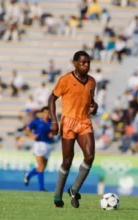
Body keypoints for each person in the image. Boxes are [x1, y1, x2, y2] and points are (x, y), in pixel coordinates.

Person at [48, 51, 98, 208]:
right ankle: (57, 195)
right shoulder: (66, 80)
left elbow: (91, 101)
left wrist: (94, 106)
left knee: (90, 156)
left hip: (84, 122)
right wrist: (54, 120)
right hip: (68, 123)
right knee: (67, 161)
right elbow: (52, 98)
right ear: (75, 63)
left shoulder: (92, 82)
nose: (86, 65)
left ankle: (74, 189)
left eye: (88, 62)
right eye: (83, 62)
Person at [23, 106, 53, 191]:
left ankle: (28, 175)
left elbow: (55, 131)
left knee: (42, 168)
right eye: (45, 112)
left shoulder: (51, 122)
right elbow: (27, 129)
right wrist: (31, 135)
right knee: (41, 166)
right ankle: (41, 188)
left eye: (48, 112)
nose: (47, 114)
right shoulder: (37, 121)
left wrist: (52, 133)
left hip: (48, 145)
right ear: (42, 113)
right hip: (38, 144)